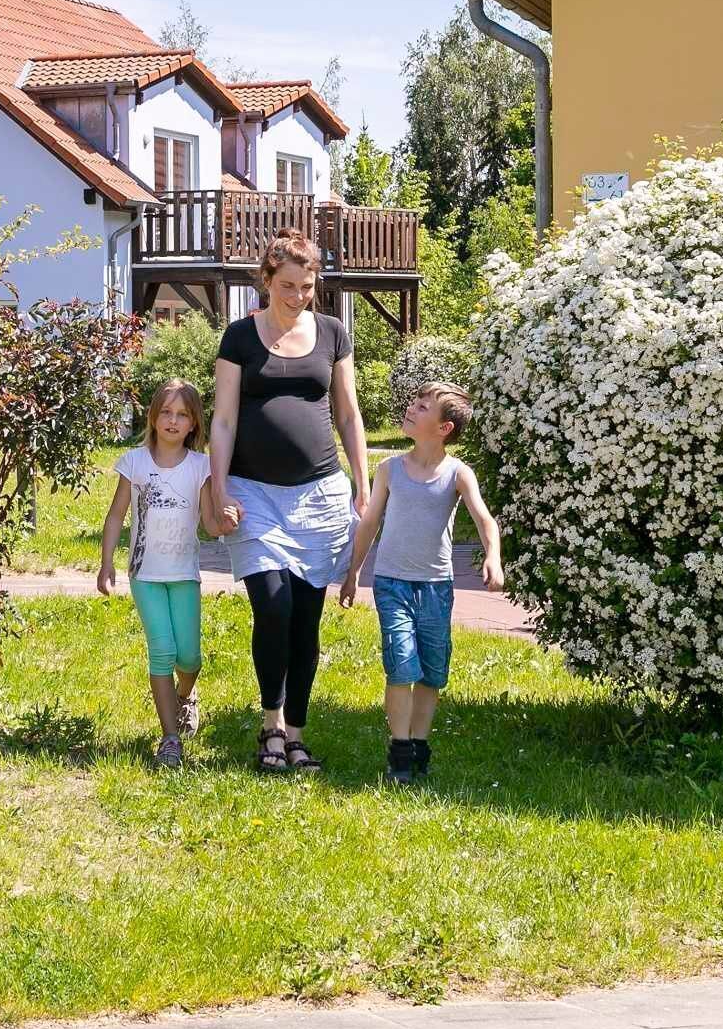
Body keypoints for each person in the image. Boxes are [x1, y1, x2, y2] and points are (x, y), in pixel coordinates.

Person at [207, 232, 371, 774]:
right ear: (266, 280)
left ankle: (294, 735)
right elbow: (224, 419)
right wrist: (221, 485)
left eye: (307, 286)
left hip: (320, 493)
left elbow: (348, 414)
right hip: (254, 494)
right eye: (287, 286)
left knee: (306, 617)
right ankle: (270, 723)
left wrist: (363, 483)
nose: (298, 296)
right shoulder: (239, 337)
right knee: (272, 605)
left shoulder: (332, 333)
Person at [340, 382, 502, 785]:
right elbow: (370, 523)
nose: (411, 409)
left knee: (431, 671)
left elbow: (484, 520)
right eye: (414, 402)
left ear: (444, 428)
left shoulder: (457, 474)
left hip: (435, 586)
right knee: (400, 663)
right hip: (392, 582)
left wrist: (493, 557)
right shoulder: (390, 470)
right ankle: (399, 751)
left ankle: (420, 744)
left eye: (422, 406)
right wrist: (352, 572)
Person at [97, 379, 214, 768]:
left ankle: (186, 694)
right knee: (162, 651)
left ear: (194, 424)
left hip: (185, 574)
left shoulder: (201, 466)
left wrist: (228, 518)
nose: (173, 421)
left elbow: (211, 524)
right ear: (153, 416)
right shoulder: (135, 462)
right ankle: (169, 739)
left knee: (190, 657)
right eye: (166, 412)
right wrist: (106, 562)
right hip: (144, 573)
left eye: (182, 414)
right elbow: (116, 517)